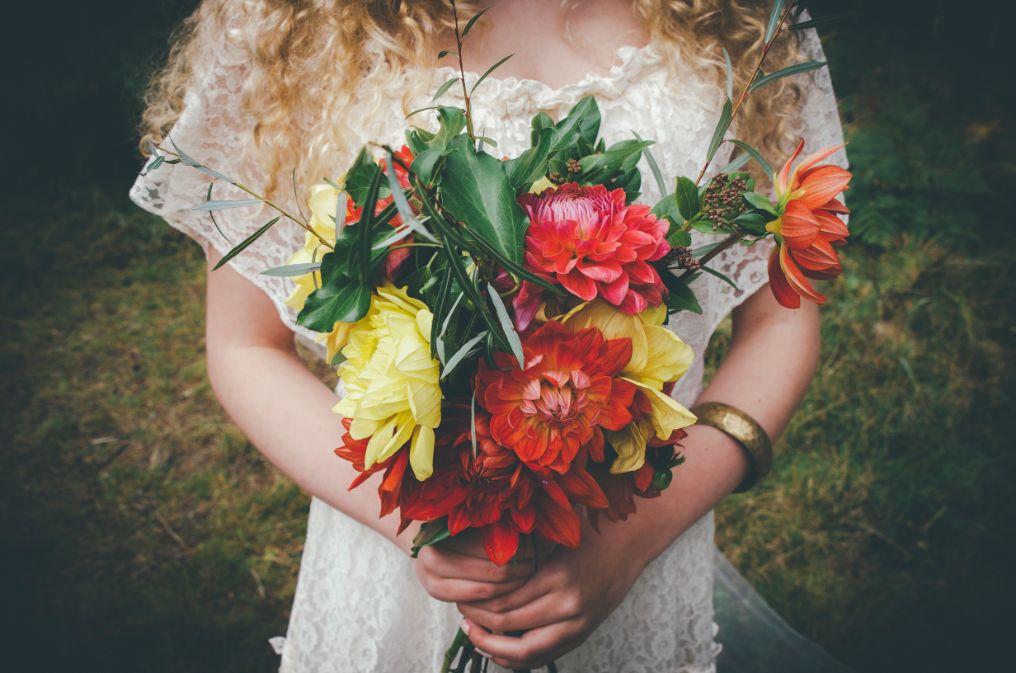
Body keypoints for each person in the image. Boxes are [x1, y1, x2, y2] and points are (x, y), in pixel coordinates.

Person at [132, 1, 849, 671]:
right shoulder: (278, 26)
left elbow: (783, 319)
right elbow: (243, 345)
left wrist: (630, 540)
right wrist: (441, 531)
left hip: (640, 542)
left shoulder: (745, 19)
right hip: (399, 554)